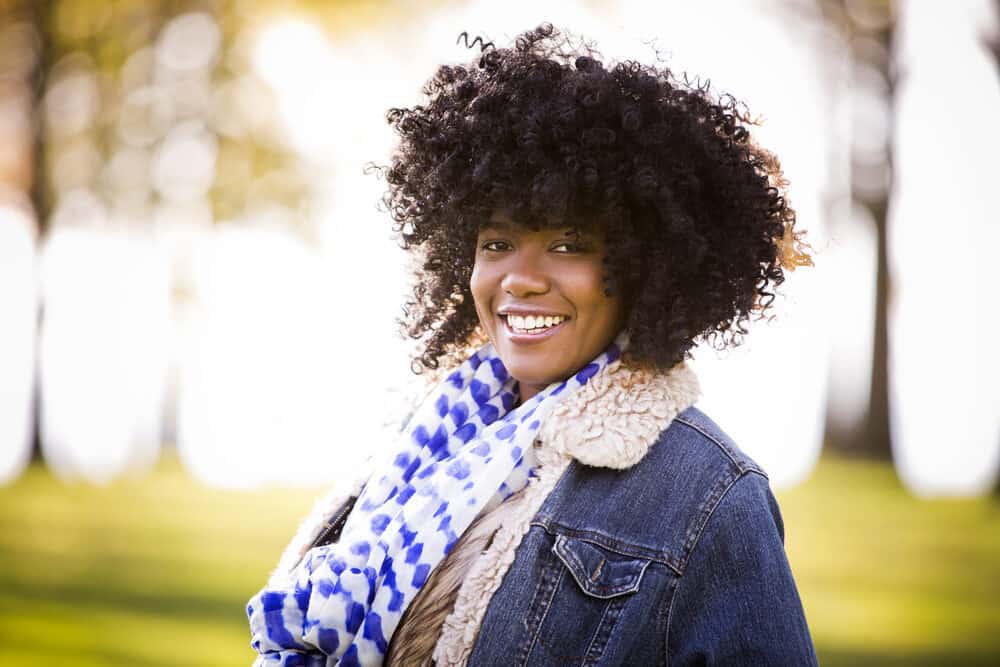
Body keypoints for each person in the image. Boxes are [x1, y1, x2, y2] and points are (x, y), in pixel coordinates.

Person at [247, 23, 818, 666]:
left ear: (642, 267)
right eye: (496, 243)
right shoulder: (426, 444)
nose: (519, 277)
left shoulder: (710, 492)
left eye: (568, 244)